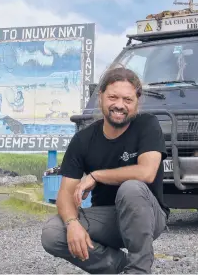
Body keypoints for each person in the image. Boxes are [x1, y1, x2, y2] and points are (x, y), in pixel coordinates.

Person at [41, 66, 170, 274]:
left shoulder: (147, 125)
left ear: (137, 101)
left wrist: (96, 175)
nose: (119, 105)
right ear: (100, 96)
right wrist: (73, 223)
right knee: (53, 233)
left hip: (147, 215)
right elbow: (65, 192)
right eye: (113, 97)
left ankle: (139, 270)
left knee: (131, 188)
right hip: (109, 218)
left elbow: (146, 172)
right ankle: (118, 265)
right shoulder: (83, 139)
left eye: (128, 100)